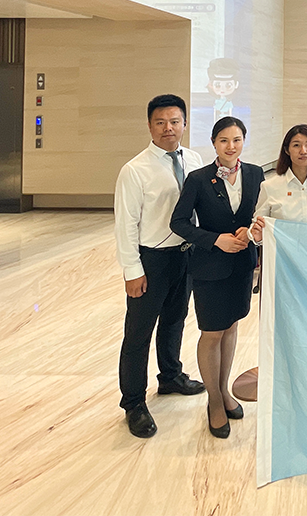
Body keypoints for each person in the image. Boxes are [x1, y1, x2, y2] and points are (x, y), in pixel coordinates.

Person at [114, 94, 205, 439]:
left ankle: (170, 376)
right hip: (151, 259)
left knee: (175, 319)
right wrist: (132, 270)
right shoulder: (135, 170)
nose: (169, 128)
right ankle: (133, 403)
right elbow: (125, 224)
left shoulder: (194, 159)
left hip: (185, 254)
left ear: (184, 124)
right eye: (160, 122)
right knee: (138, 333)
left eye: (174, 121)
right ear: (150, 126)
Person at [169, 116, 264, 439]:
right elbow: (179, 222)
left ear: (244, 141)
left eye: (236, 140)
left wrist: (250, 231)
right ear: (213, 143)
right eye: (224, 140)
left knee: (231, 327)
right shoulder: (198, 179)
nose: (231, 146)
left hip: (242, 265)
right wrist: (215, 240)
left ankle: (223, 390)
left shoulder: (255, 174)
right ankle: (213, 400)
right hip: (210, 267)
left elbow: (260, 214)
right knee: (212, 333)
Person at [250, 124, 307, 246]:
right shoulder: (269, 186)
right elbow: (257, 228)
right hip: (282, 255)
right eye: (296, 145)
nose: (303, 151)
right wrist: (256, 236)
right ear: (287, 150)